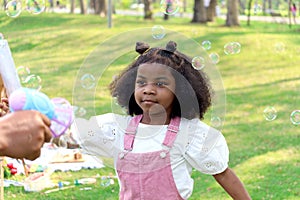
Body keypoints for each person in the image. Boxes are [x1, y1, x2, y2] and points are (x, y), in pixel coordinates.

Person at [74, 41, 251, 199]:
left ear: (181, 91)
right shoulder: (119, 129)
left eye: (160, 84)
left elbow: (222, 173)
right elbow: (80, 134)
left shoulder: (188, 133)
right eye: (141, 82)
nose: (148, 90)